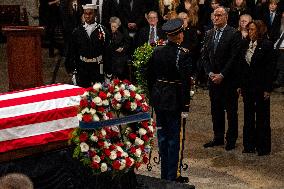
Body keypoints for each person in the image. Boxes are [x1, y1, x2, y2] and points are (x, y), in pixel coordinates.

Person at [146, 18, 192, 181]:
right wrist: (186, 105)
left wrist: (153, 95)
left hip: (159, 99)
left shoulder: (157, 50)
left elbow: (149, 75)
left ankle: (165, 173)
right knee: (174, 139)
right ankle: (172, 176)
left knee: (162, 136)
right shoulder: (183, 54)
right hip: (174, 101)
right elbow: (186, 82)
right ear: (179, 35)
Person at [202, 7, 241, 151]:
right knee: (216, 110)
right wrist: (210, 73)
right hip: (213, 79)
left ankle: (231, 139)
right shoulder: (209, 33)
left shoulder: (234, 33)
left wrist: (222, 75)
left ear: (226, 17)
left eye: (219, 15)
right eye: (214, 15)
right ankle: (218, 137)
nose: (216, 18)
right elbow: (204, 56)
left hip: (228, 80)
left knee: (231, 111)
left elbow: (234, 58)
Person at [239, 20, 276, 156]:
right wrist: (240, 85)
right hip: (248, 86)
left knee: (262, 117)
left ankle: (263, 147)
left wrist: (268, 88)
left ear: (259, 30)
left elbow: (270, 69)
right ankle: (248, 145)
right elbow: (242, 66)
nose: (250, 32)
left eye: (253, 29)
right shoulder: (245, 44)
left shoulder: (266, 45)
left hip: (261, 86)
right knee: (248, 116)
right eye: (249, 30)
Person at [65, 3, 111, 87]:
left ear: (95, 14)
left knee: (97, 95)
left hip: (97, 68)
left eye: (90, 13)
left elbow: (107, 53)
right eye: (85, 13)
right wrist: (73, 71)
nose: (87, 16)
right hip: (82, 68)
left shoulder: (103, 31)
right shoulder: (77, 31)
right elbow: (72, 52)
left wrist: (108, 73)